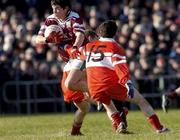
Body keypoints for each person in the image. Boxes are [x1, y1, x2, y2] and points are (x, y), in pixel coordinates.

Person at [83, 20, 169, 133]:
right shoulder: (115, 47)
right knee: (141, 101)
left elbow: (77, 55)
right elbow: (120, 67)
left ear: (99, 32)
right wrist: (127, 83)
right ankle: (159, 128)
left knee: (108, 105)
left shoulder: (88, 47)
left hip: (93, 87)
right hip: (109, 84)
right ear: (115, 33)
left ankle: (119, 124)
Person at [36, 0, 90, 135]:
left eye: (58, 8)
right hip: (68, 61)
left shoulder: (74, 17)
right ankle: (76, 130)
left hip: (79, 55)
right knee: (80, 103)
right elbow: (38, 39)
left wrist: (75, 48)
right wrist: (49, 40)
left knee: (71, 83)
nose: (54, 11)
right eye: (53, 8)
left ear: (66, 8)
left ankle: (115, 112)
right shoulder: (50, 20)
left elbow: (80, 34)